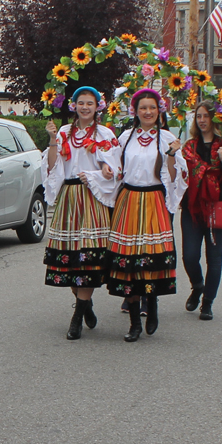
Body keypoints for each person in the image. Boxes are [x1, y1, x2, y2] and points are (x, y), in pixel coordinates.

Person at [107, 89, 188, 342]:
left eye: (152, 107)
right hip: (129, 200)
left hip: (154, 200)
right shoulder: (125, 137)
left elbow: (174, 178)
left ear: (159, 110)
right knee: (129, 261)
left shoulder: (167, 139)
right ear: (135, 111)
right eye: (143, 108)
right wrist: (107, 171)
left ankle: (151, 304)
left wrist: (173, 156)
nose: (148, 112)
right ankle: (134, 323)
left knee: (150, 259)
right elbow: (115, 168)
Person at [43, 86, 121, 340]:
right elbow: (54, 165)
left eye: (90, 103)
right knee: (69, 258)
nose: (85, 107)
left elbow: (112, 164)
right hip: (69, 197)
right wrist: (53, 139)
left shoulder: (104, 133)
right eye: (81, 103)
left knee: (88, 258)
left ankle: (77, 317)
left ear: (97, 106)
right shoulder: (65, 132)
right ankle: (85, 305)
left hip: (90, 195)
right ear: (73, 105)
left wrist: (106, 171)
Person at [181, 100, 222, 321]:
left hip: (217, 207)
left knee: (214, 259)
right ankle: (197, 286)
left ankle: (207, 302)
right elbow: (183, 174)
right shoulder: (189, 147)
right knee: (189, 256)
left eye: (206, 116)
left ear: (214, 119)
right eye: (199, 116)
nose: (202, 120)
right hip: (193, 207)